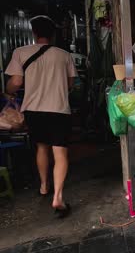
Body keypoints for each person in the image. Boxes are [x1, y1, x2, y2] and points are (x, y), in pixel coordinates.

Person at [5, 15, 76, 217]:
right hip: (59, 109)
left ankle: (44, 186)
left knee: (41, 147)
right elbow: (71, 84)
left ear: (34, 32)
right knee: (60, 153)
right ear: (52, 34)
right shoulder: (64, 55)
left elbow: (16, 82)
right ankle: (58, 197)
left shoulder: (20, 52)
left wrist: (8, 90)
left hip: (33, 109)